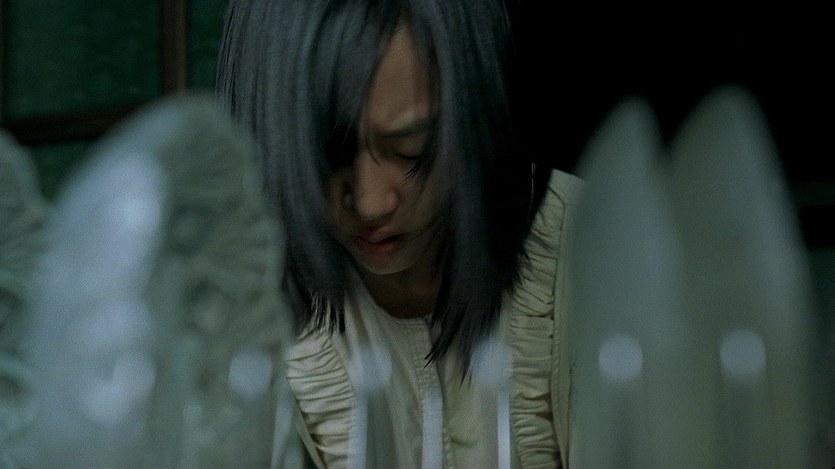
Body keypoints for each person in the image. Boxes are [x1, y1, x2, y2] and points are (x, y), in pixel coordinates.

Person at [216, 0, 581, 467]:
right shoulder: (232, 302)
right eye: (326, 157)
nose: (371, 204)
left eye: (412, 150)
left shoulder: (589, 250)